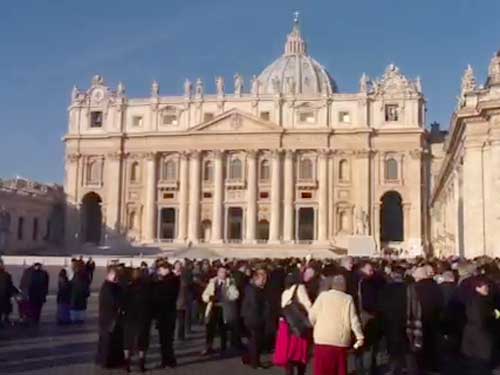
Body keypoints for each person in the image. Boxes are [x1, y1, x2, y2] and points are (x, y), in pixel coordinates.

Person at [309, 274, 364, 375]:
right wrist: (359, 336)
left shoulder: (323, 296)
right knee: (339, 369)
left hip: (322, 338)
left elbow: (312, 315)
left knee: (321, 370)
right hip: (340, 340)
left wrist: (316, 326)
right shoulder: (348, 299)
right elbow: (354, 320)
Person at [378, 266, 419, 375]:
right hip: (407, 322)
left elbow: (381, 307)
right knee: (408, 350)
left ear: (392, 276)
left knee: (393, 350)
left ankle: (393, 370)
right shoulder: (409, 289)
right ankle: (410, 371)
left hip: (390, 323)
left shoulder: (385, 289)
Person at [275, 272, 312, 375]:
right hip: (298, 325)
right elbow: (307, 305)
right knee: (300, 354)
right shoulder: (299, 288)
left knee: (289, 354)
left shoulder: (285, 292)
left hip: (287, 325)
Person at [461, 278, 497, 375]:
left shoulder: (472, 300)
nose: (487, 289)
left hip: (472, 335)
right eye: (484, 287)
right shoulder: (481, 301)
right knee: (481, 364)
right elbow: (481, 318)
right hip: (481, 336)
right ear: (477, 288)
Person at [201, 266, 239, 355]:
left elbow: (235, 295)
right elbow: (204, 295)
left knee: (223, 328)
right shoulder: (212, 282)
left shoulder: (230, 282)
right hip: (213, 307)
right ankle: (208, 347)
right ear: (218, 273)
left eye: (224, 272)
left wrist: (227, 296)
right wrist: (209, 298)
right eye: (221, 272)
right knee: (210, 328)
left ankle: (223, 347)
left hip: (224, 308)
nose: (223, 274)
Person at [122, 268, 153, 373]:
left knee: (127, 342)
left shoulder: (128, 288)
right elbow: (151, 304)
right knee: (142, 343)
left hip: (129, 318)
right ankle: (141, 364)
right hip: (143, 318)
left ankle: (127, 364)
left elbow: (123, 303)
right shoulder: (148, 288)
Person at [153, 262, 180, 368]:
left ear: (166, 269)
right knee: (167, 340)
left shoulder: (168, 281)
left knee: (165, 340)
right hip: (169, 313)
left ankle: (167, 361)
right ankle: (169, 360)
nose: (159, 272)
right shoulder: (172, 279)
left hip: (165, 314)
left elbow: (162, 296)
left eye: (160, 270)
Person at [241, 269, 270, 369]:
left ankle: (248, 358)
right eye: (262, 279)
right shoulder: (253, 289)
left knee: (254, 341)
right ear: (256, 279)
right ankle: (255, 362)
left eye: (265, 279)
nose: (264, 281)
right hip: (254, 319)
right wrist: (262, 318)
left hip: (253, 318)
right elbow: (255, 305)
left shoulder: (255, 288)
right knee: (255, 341)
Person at [96, 267, 124, 369]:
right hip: (108, 319)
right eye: (114, 275)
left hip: (111, 318)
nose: (116, 277)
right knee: (107, 342)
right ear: (108, 275)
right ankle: (105, 361)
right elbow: (113, 302)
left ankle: (111, 360)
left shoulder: (113, 286)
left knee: (111, 341)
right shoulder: (107, 287)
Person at [0, 260, 15, 326]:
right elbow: (10, 285)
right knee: (5, 308)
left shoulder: (7, 275)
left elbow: (10, 285)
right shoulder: (7, 275)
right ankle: (5, 319)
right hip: (4, 295)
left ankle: (5, 319)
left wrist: (14, 292)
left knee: (5, 308)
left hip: (5, 295)